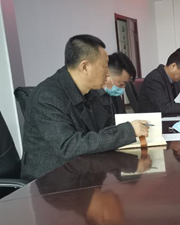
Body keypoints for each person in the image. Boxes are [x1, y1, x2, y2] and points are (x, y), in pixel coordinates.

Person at [21, 35, 149, 181]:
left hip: (84, 169)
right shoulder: (47, 96)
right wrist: (128, 131)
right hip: (51, 180)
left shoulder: (91, 92)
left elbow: (107, 127)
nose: (108, 73)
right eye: (105, 66)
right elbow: (68, 146)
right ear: (85, 67)